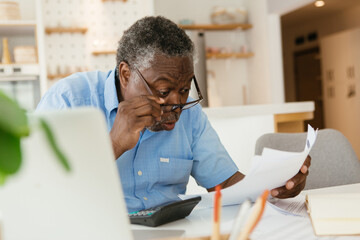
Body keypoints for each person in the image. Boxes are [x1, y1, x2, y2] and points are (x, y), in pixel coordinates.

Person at [37, 16, 311, 212]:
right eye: (164, 90)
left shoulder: (189, 113)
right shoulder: (69, 100)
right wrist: (115, 143)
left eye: (184, 88)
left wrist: (275, 186)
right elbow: (39, 189)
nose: (176, 104)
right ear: (125, 74)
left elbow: (224, 184)